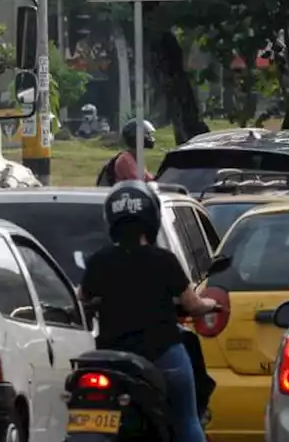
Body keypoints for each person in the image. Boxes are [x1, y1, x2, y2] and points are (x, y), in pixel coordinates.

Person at [79, 181, 219, 442]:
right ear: (152, 219)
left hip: (111, 356)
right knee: (187, 418)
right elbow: (193, 305)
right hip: (162, 353)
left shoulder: (100, 260)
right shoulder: (163, 260)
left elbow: (82, 300)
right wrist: (210, 305)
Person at [96, 119, 156, 185]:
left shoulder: (136, 158)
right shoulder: (126, 159)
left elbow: (149, 179)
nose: (150, 137)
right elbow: (139, 183)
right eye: (147, 134)